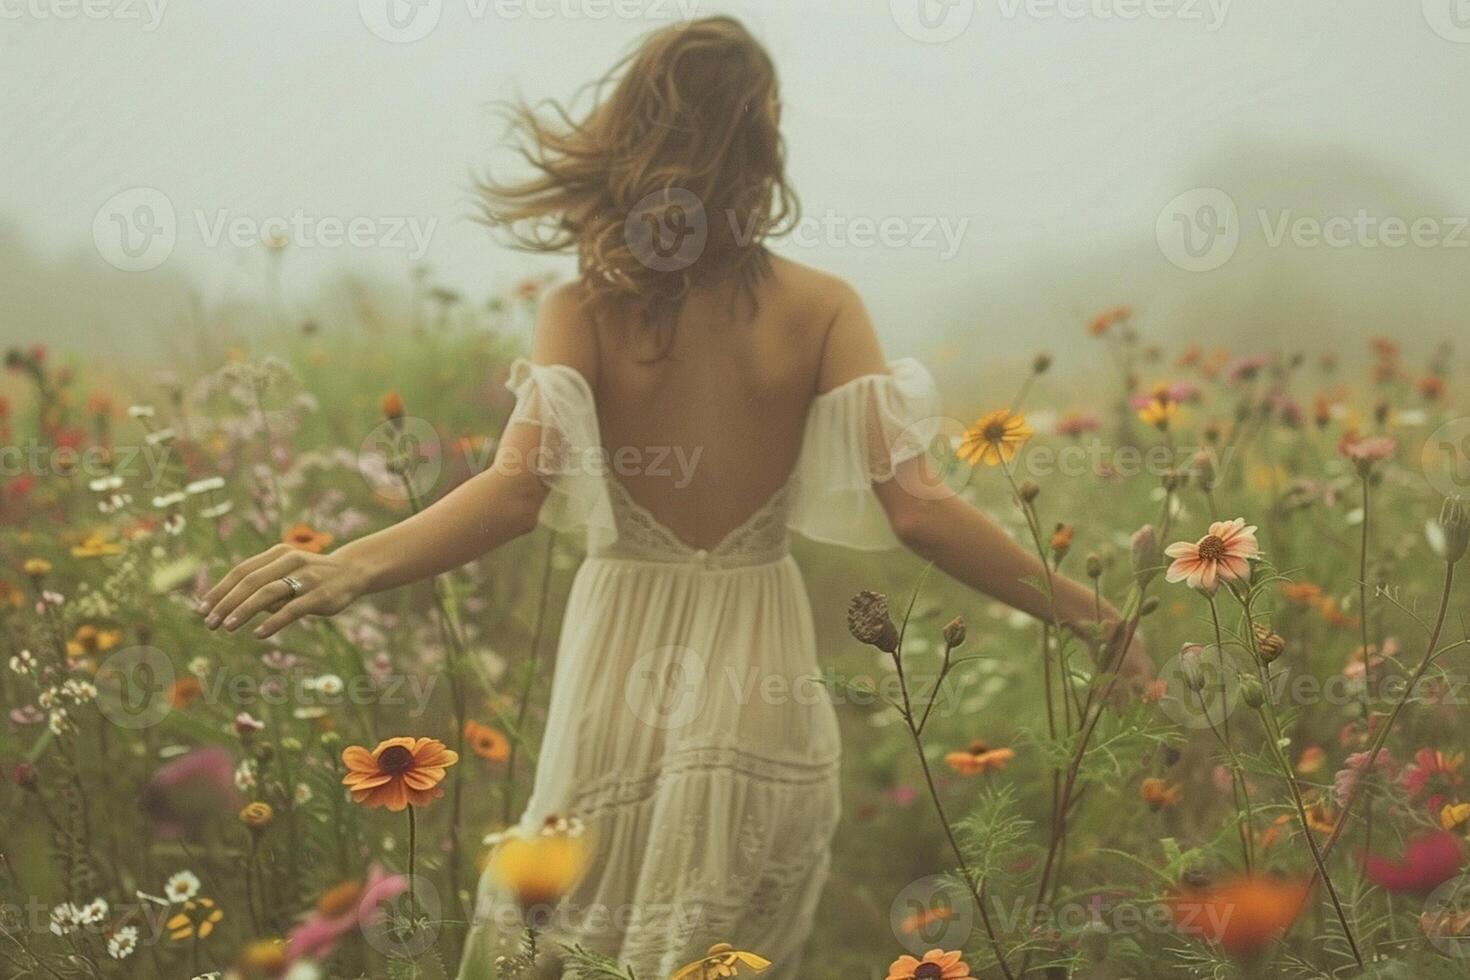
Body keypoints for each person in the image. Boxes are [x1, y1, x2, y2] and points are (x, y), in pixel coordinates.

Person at [197, 16, 1147, 979]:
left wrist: (348, 565)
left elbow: (514, 492)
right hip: (756, 670)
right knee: (718, 952)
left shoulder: (583, 311)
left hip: (618, 663)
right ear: (762, 138)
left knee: (566, 937)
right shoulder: (821, 308)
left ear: (631, 135)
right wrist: (1091, 613)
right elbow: (920, 511)